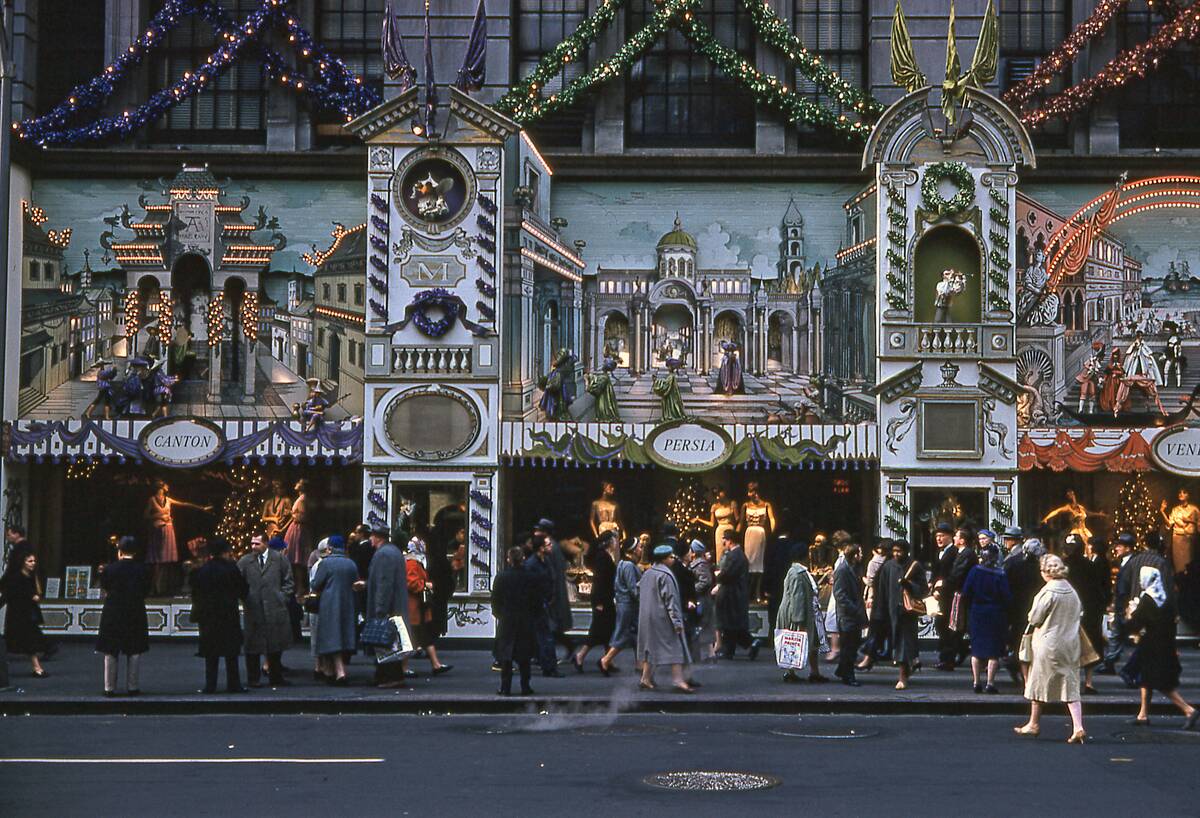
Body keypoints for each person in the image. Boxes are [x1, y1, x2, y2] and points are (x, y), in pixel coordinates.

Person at [1015, 554, 1086, 743]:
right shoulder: (1071, 591)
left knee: (1038, 682)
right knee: (1070, 683)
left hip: (1048, 643)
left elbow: (1035, 618)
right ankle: (1078, 726)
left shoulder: (1048, 592)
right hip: (1070, 643)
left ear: (1045, 572)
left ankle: (1033, 723)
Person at [1125, 567, 1200, 730]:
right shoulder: (1166, 598)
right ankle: (1142, 714)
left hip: (1151, 644)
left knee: (1161, 683)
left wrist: (1131, 613)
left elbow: (1136, 624)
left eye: (1141, 578)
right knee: (1146, 679)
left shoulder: (1146, 599)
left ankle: (1188, 710)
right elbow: (1172, 623)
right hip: (1165, 643)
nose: (1139, 581)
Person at [190, 538, 248, 694]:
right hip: (228, 613)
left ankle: (210, 685)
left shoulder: (203, 570)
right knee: (231, 652)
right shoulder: (231, 569)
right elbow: (242, 589)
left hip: (209, 615)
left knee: (211, 653)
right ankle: (234, 684)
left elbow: (195, 591)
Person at [236, 534, 293, 688]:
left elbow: (288, 581)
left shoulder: (279, 559)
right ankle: (253, 678)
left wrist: (283, 597)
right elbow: (237, 581)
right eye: (252, 543)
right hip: (253, 608)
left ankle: (276, 676)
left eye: (257, 543)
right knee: (252, 645)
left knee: (275, 644)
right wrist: (245, 597)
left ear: (266, 544)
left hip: (275, 607)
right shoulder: (245, 561)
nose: (253, 547)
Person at [96, 536, 150, 696]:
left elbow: (105, 586)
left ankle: (109, 687)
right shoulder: (143, 569)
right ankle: (132, 687)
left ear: (120, 551)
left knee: (110, 650)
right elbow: (146, 589)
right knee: (134, 650)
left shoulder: (110, 569)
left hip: (113, 610)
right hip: (135, 610)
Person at [637, 545, 694, 693]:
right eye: (670, 557)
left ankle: (645, 678)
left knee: (651, 648)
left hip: (647, 617)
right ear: (663, 559)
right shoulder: (665, 575)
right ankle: (678, 680)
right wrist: (677, 621)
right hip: (663, 618)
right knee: (675, 646)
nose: (672, 559)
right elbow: (671, 600)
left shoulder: (648, 573)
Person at [961, 543, 1011, 694]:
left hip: (977, 612)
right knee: (993, 651)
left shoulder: (974, 571)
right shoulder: (1000, 574)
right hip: (995, 613)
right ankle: (990, 683)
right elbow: (1007, 596)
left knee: (976, 649)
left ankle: (976, 682)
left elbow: (966, 592)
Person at [365, 525, 410, 689]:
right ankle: (385, 675)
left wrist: (380, 609)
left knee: (385, 643)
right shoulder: (394, 552)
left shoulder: (383, 554)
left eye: (371, 536)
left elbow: (384, 584)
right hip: (396, 605)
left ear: (377, 537)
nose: (370, 539)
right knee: (392, 645)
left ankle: (389, 677)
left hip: (388, 608)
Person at [309, 535, 357, 685]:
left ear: (330, 548)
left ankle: (339, 672)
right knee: (341, 636)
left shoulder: (325, 564)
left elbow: (316, 584)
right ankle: (332, 671)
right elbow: (355, 582)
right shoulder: (351, 564)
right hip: (347, 604)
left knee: (331, 636)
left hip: (329, 605)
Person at [492, 547, 540, 696]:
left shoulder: (501, 577)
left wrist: (499, 614)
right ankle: (525, 686)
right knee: (524, 656)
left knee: (506, 656)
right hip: (525, 619)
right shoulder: (531, 577)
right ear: (523, 558)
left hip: (507, 619)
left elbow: (495, 600)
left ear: (509, 559)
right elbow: (536, 600)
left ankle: (505, 687)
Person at [879, 540, 926, 690]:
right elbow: (883, 589)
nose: (896, 554)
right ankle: (911, 664)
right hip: (893, 610)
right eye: (894, 551)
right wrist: (881, 610)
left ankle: (902, 677)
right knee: (900, 642)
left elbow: (923, 589)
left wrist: (909, 585)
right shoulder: (888, 567)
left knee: (904, 643)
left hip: (908, 611)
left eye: (899, 551)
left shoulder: (915, 566)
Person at [1064, 534, 1108, 694]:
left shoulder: (1063, 565)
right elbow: (1099, 589)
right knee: (1089, 645)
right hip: (1089, 610)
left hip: (1069, 611)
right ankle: (1088, 682)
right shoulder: (1090, 565)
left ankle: (1073, 681)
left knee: (1070, 646)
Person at [776, 544, 825, 683]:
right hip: (797, 613)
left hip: (808, 611)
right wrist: (799, 619)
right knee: (794, 640)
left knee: (813, 641)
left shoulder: (800, 572)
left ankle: (814, 672)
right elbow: (797, 597)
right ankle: (790, 671)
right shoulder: (797, 574)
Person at [405, 536, 452, 675]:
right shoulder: (413, 563)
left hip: (417, 607)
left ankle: (435, 664)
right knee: (414, 637)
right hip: (414, 607)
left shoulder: (415, 562)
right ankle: (431, 665)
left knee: (422, 636)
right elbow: (412, 583)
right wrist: (425, 585)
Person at [0, 551, 49, 678]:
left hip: (27, 614)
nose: (33, 564)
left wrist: (35, 596)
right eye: (29, 561)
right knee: (27, 641)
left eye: (34, 561)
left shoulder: (31, 576)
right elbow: (10, 594)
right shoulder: (17, 577)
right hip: (19, 615)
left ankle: (37, 667)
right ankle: (37, 668)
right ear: (23, 562)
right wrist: (31, 596)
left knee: (28, 641)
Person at [574, 531, 617, 671]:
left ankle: (608, 659)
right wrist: (599, 601)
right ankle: (581, 655)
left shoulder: (605, 556)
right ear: (609, 542)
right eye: (614, 540)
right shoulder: (603, 557)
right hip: (602, 598)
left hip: (605, 597)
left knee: (609, 628)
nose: (616, 542)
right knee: (598, 629)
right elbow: (600, 580)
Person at [533, 518, 574, 664]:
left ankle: (546, 655)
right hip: (553, 592)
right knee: (549, 626)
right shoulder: (551, 546)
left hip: (553, 593)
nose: (536, 532)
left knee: (550, 626)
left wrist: (551, 594)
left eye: (539, 530)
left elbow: (553, 573)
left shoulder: (551, 548)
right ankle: (540, 654)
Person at [599, 538, 641, 675]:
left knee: (636, 634)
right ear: (633, 550)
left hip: (627, 605)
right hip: (628, 605)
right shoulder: (629, 566)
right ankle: (606, 659)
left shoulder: (622, 563)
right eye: (639, 547)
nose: (641, 550)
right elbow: (633, 588)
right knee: (623, 634)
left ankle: (639, 663)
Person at [1098, 533, 1136, 675]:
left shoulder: (1131, 563)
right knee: (1116, 634)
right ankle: (1110, 662)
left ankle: (1111, 662)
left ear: (1127, 548)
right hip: (1121, 604)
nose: (1116, 548)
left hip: (1125, 604)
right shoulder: (1124, 562)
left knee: (1119, 633)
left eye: (1119, 546)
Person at [714, 529, 753, 660]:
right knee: (732, 624)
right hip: (736, 593)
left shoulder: (734, 556)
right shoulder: (740, 555)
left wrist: (718, 576)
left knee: (729, 623)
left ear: (730, 540)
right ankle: (735, 648)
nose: (723, 541)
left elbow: (727, 574)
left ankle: (731, 649)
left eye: (724, 539)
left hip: (732, 594)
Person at [832, 543, 867, 686]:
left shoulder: (854, 569)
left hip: (854, 613)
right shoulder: (842, 570)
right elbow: (840, 594)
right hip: (847, 615)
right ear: (854, 555)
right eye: (860, 553)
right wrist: (853, 609)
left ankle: (842, 669)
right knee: (849, 646)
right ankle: (848, 675)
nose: (862, 555)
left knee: (852, 644)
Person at [858, 540, 891, 671]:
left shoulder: (880, 563)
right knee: (881, 631)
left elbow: (873, 582)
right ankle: (872, 656)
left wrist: (870, 594)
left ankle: (869, 657)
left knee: (875, 631)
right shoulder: (890, 564)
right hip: (884, 602)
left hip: (881, 602)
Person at [688, 540, 717, 663]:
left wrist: (692, 589)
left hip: (702, 599)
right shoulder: (698, 564)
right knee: (704, 625)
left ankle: (709, 655)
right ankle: (709, 654)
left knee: (704, 624)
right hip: (702, 599)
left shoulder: (700, 565)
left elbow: (705, 581)